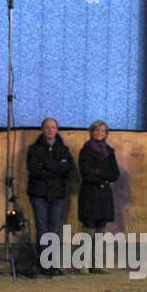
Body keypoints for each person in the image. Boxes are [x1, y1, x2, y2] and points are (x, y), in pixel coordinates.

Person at [26, 117, 73, 276]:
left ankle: (53, 263)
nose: (50, 130)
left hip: (57, 194)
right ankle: (44, 264)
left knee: (54, 229)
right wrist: (57, 168)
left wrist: (46, 165)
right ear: (42, 129)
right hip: (39, 194)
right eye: (47, 127)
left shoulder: (64, 149)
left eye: (53, 127)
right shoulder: (34, 149)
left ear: (57, 129)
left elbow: (69, 169)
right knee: (43, 229)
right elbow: (34, 170)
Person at [77, 120, 120, 274]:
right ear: (92, 132)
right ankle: (83, 263)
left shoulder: (110, 152)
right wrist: (103, 176)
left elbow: (115, 174)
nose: (99, 133)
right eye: (96, 130)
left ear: (106, 133)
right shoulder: (85, 151)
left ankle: (96, 264)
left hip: (104, 195)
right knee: (88, 228)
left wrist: (98, 172)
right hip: (89, 193)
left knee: (101, 229)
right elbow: (86, 174)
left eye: (102, 131)